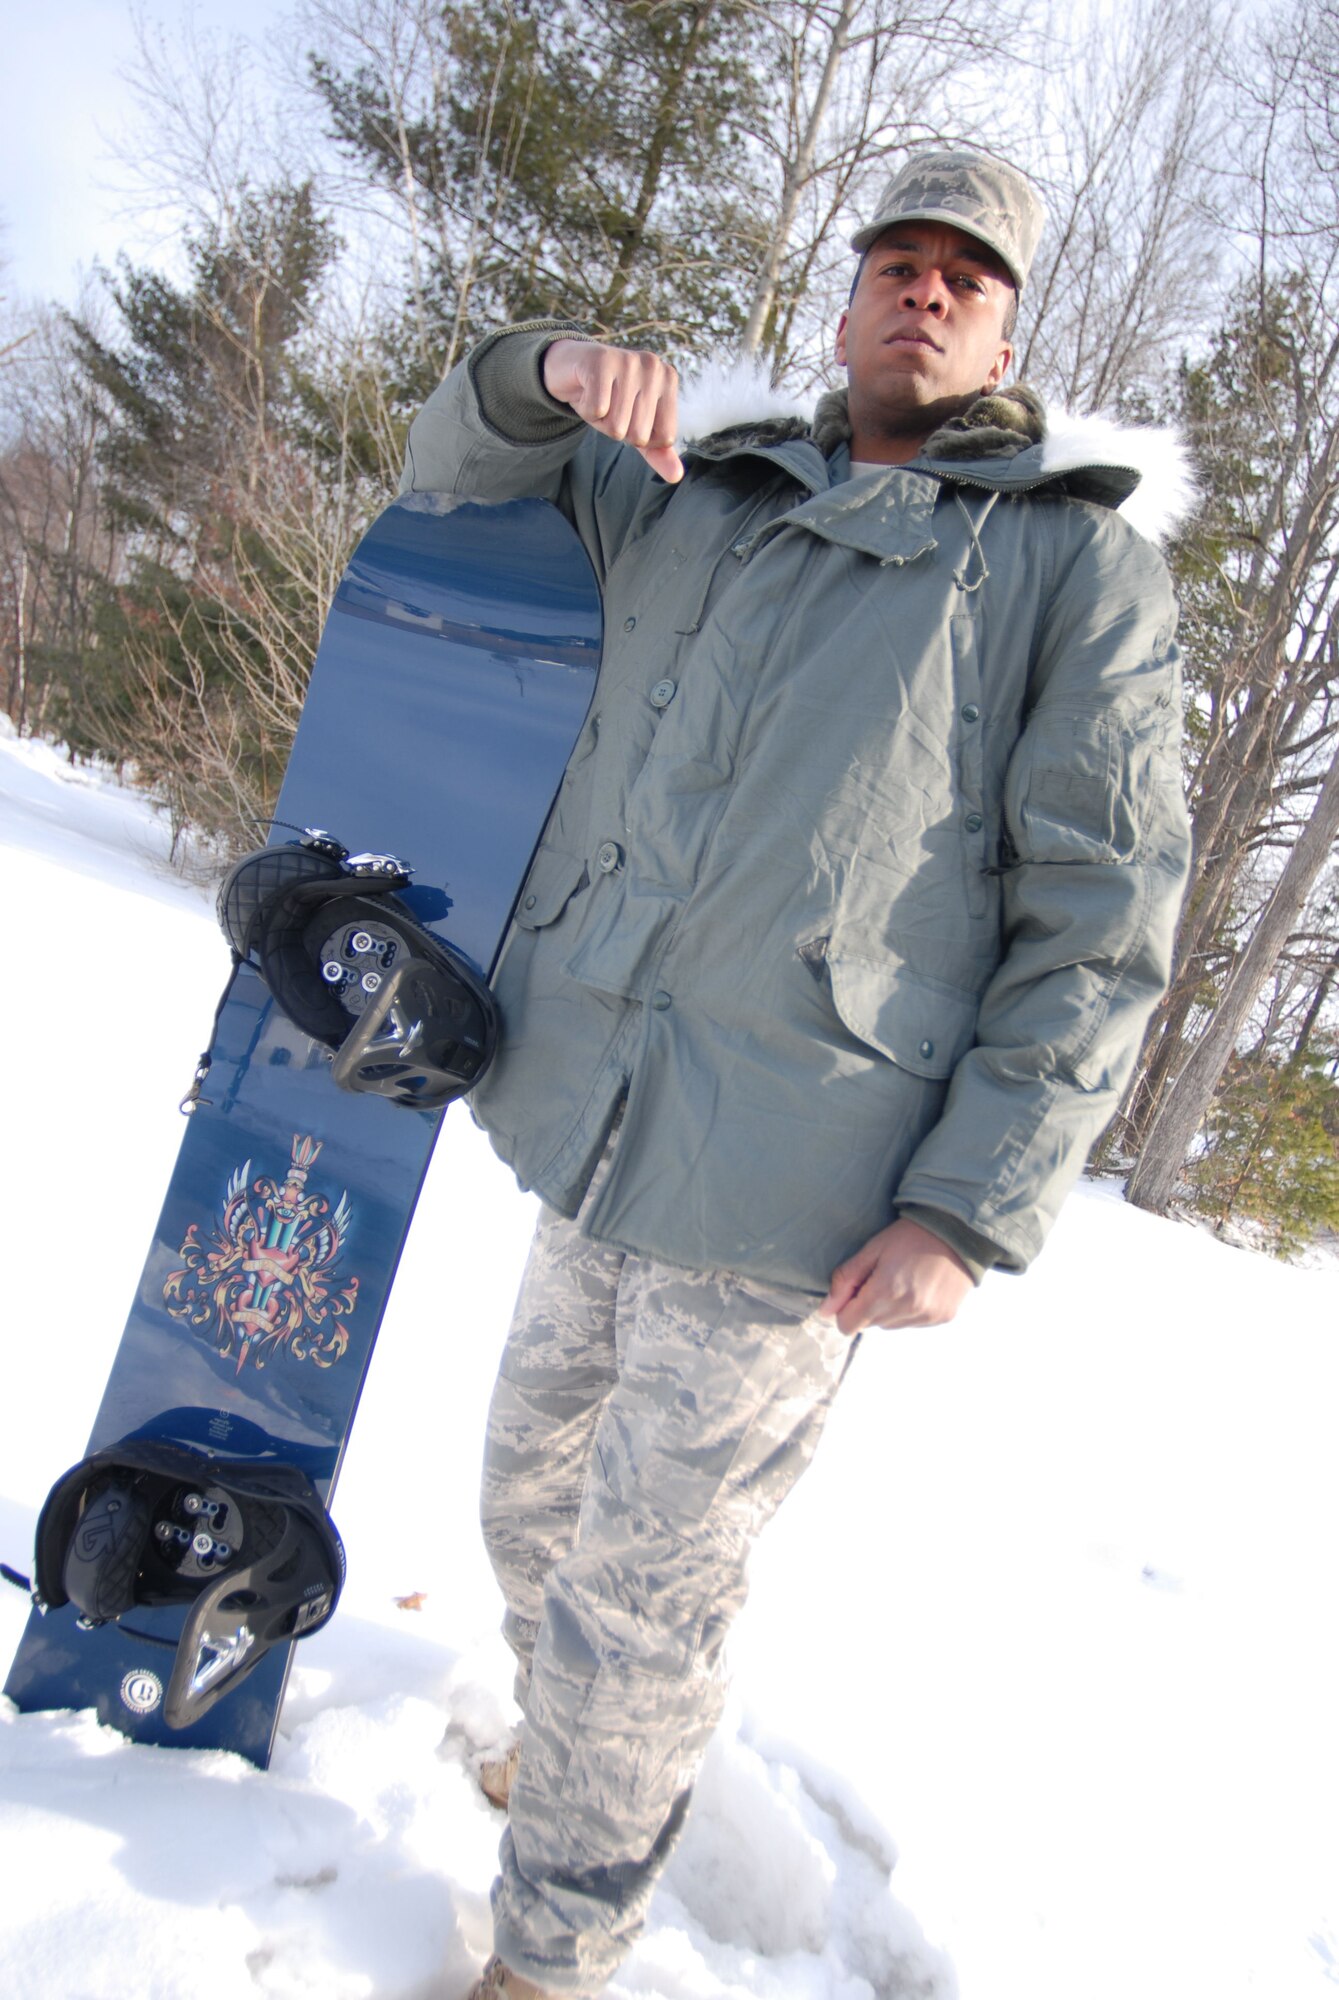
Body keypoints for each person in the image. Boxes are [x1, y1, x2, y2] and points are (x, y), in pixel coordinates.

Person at [399, 150, 1192, 1999]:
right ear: (844, 302)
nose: (925, 292)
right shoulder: (704, 485)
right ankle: (565, 1780)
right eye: (897, 262)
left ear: (1006, 330)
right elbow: (461, 467)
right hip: (596, 1109)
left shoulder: (1074, 563)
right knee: (527, 1505)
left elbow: (1102, 916)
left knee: (638, 1607)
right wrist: (547, 370)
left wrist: (967, 1210)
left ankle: (554, 1949)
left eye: (966, 279)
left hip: (793, 1189)